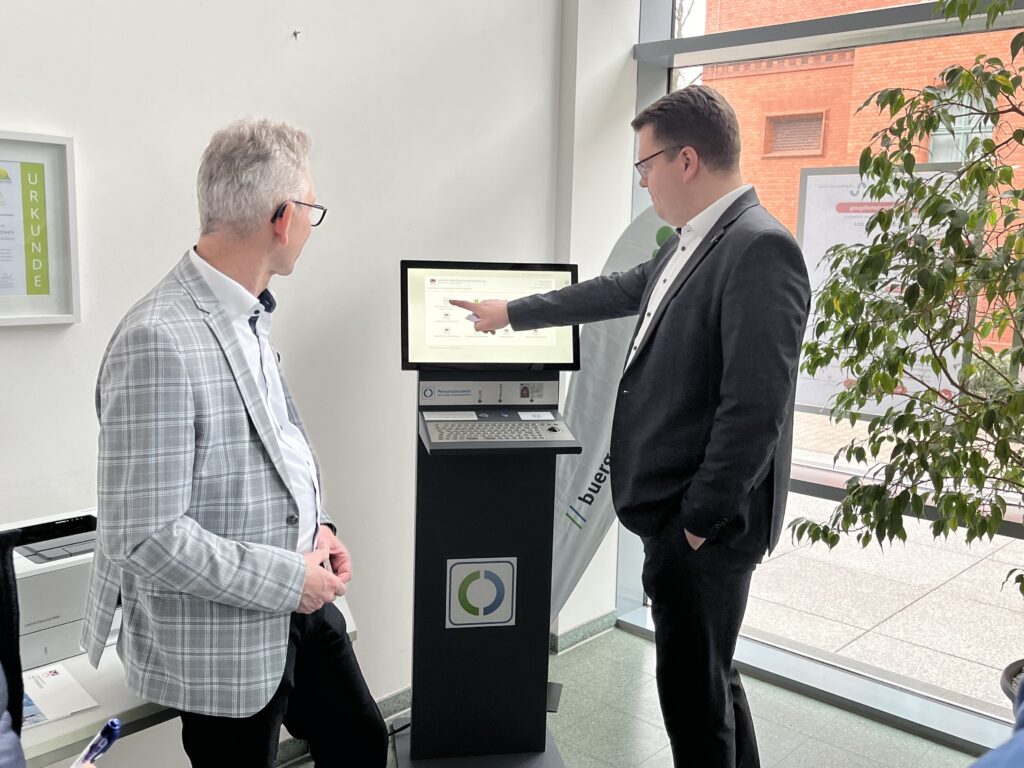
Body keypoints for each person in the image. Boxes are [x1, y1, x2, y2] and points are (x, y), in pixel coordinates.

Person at [452, 85, 810, 768]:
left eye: (644, 166)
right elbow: (616, 290)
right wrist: (512, 312)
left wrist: (695, 525)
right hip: (677, 520)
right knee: (712, 679)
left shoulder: (760, 250)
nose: (642, 182)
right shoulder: (697, 242)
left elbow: (754, 412)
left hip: (703, 532)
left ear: (687, 161)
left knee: (692, 703)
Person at [80, 119, 387, 768]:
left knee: (360, 742)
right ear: (283, 218)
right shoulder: (157, 339)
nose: (310, 225)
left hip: (301, 597)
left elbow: (275, 451)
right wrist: (287, 577)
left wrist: (318, 530)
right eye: (311, 210)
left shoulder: (246, 309)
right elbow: (145, 537)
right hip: (225, 639)